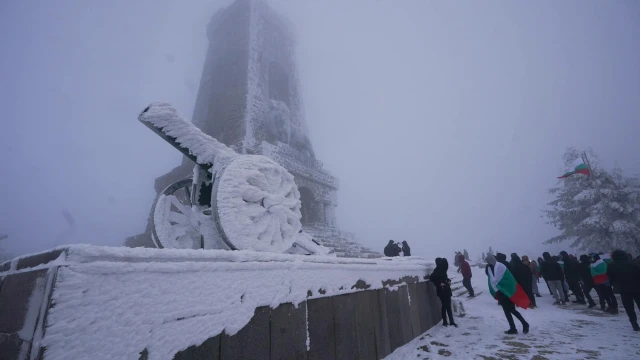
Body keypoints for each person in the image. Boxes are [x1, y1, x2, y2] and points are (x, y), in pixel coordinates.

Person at [486, 254, 530, 334]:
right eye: (487, 261)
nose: (488, 263)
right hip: (499, 292)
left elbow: (507, 277)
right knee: (506, 311)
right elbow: (492, 279)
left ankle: (524, 323)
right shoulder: (489, 268)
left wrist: (503, 286)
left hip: (507, 291)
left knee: (511, 310)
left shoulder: (500, 266)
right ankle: (513, 328)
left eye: (488, 261)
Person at [607, 249, 640, 330]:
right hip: (637, 288)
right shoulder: (633, 263)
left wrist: (616, 286)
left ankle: (634, 324)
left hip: (623, 289)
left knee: (629, 307)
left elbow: (610, 279)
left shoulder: (611, 265)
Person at [429, 258, 457, 327]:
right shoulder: (436, 271)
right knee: (444, 306)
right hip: (441, 291)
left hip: (446, 290)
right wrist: (439, 283)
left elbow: (444, 278)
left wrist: (448, 280)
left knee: (448, 306)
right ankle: (445, 321)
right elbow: (432, 278)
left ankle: (451, 321)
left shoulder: (442, 270)